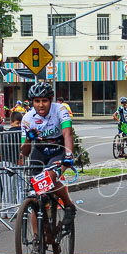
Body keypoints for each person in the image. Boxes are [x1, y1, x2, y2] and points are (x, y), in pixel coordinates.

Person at [20, 82, 76, 233]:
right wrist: (28, 139)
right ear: (32, 102)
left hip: (59, 149)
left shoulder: (60, 110)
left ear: (51, 99)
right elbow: (25, 152)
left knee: (48, 178)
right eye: (37, 101)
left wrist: (69, 156)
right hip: (39, 152)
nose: (41, 105)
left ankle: (69, 205)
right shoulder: (27, 118)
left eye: (44, 100)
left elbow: (67, 134)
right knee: (35, 198)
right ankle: (38, 242)